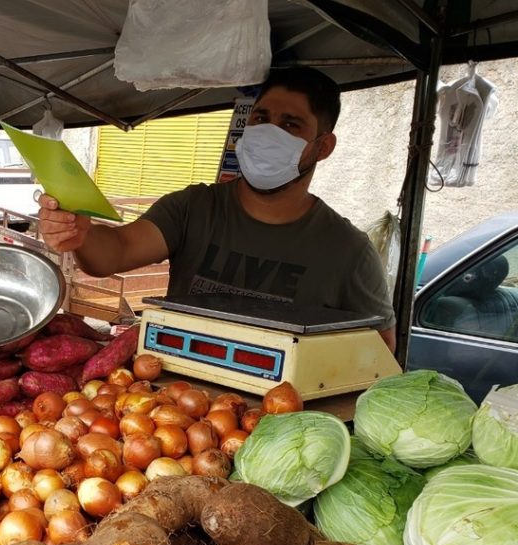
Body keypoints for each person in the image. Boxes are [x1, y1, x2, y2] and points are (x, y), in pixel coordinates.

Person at [38, 66, 396, 351]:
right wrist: (78, 234)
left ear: (323, 146)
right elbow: (115, 252)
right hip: (173, 411)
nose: (269, 132)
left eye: (290, 124)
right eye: (261, 118)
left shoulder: (348, 250)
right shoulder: (193, 208)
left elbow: (380, 353)